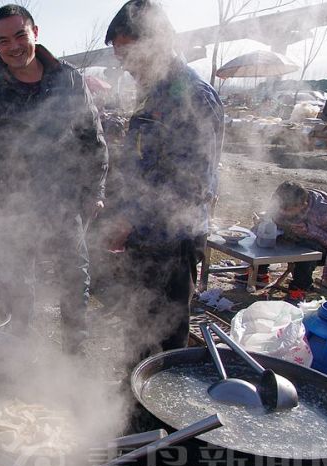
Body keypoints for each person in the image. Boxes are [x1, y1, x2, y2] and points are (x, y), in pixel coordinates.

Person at [0, 4, 108, 355]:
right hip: (12, 206)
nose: (14, 46)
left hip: (64, 200)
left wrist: (95, 190)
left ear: (35, 33)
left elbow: (93, 140)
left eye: (20, 35)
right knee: (17, 284)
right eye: (4, 40)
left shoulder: (68, 79)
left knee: (74, 279)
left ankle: (74, 355)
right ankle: (18, 355)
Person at [103, 0, 224, 357]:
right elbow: (143, 167)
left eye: (130, 56)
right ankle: (132, 402)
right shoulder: (153, 95)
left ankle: (158, 410)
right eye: (121, 59)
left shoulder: (194, 97)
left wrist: (130, 217)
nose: (126, 68)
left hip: (173, 241)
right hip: (143, 241)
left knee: (166, 340)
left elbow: (190, 185)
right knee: (138, 331)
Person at [239, 181, 327, 298]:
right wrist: (263, 222)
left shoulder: (322, 212)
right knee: (267, 235)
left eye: (287, 210)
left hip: (325, 252)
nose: (282, 212)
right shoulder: (284, 203)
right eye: (280, 208)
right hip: (293, 242)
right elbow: (272, 218)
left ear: (303, 205)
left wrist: (309, 230)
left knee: (309, 247)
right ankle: (260, 274)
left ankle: (301, 286)